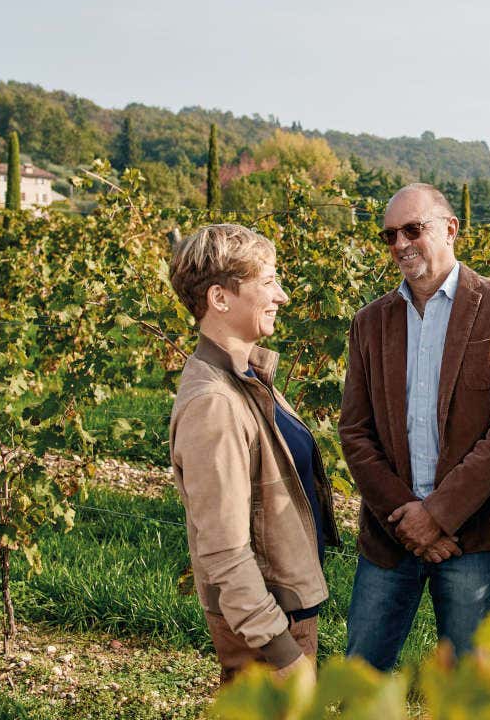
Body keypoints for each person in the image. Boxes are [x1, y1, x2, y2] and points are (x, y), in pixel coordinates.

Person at [340, 183, 490, 670]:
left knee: (466, 682)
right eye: (390, 236)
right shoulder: (369, 323)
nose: (401, 244)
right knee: (360, 674)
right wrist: (409, 517)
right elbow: (355, 433)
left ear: (451, 229)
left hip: (470, 531)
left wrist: (438, 517)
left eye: (413, 229)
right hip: (391, 530)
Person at [167, 223, 338, 683]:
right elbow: (222, 549)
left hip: (282, 608)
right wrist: (281, 651)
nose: (281, 296)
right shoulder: (214, 403)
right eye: (267, 282)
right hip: (266, 624)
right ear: (220, 299)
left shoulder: (248, 377)